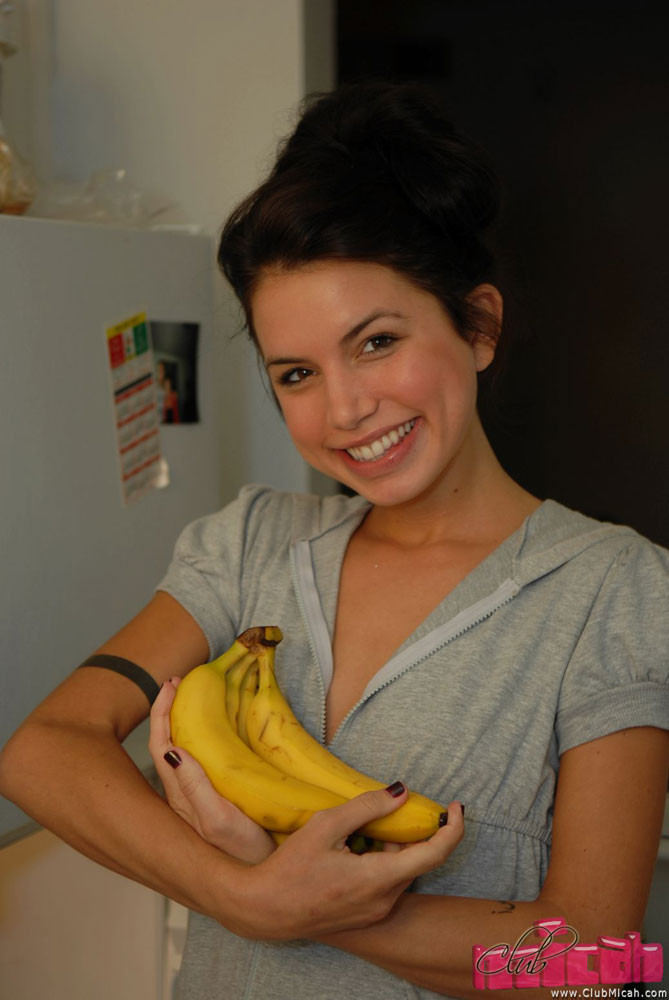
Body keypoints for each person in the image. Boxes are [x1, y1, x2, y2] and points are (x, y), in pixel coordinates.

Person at [1, 80, 668, 1000]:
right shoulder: (246, 548)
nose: (345, 410)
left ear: (477, 325)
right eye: (297, 372)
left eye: (376, 342)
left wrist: (310, 904)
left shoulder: (612, 589)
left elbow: (588, 950)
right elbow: (43, 749)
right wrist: (241, 894)